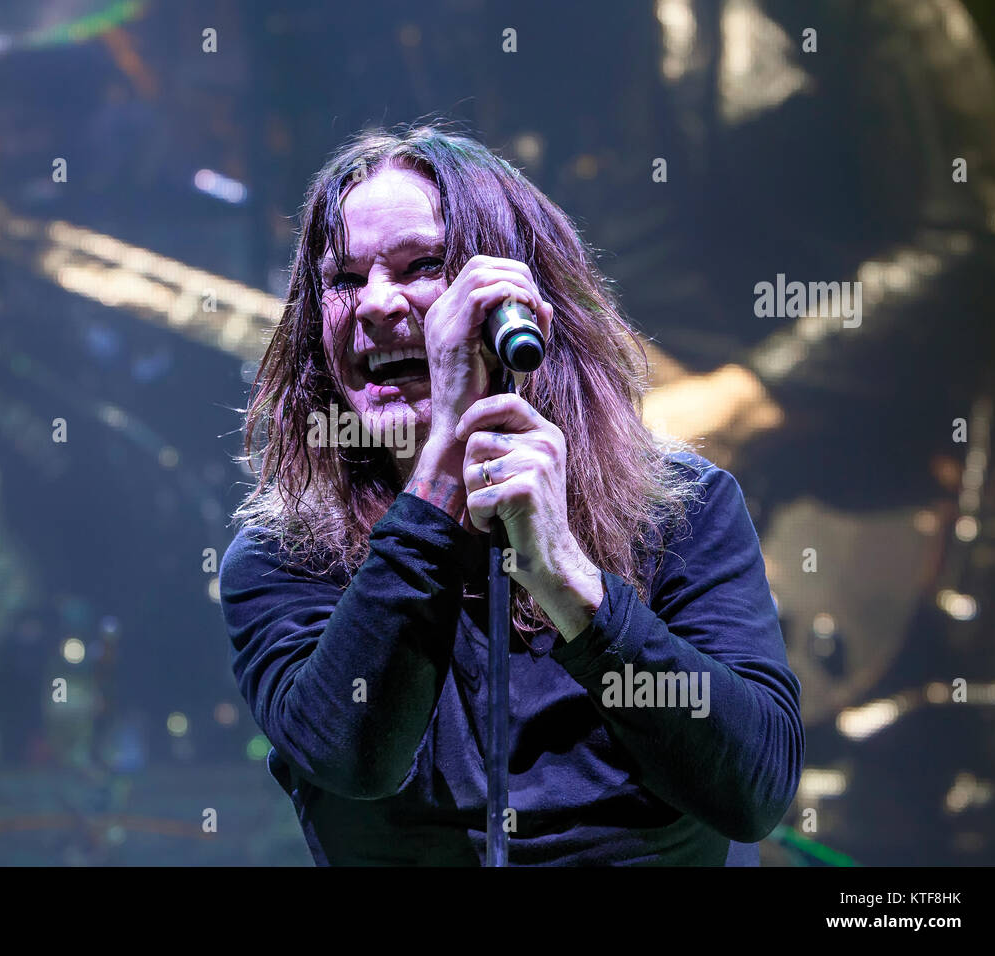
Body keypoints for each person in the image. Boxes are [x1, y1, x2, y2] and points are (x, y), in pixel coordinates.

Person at [220, 124, 804, 865]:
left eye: (422, 265)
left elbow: (752, 791)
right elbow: (353, 758)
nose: (374, 304)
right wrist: (439, 484)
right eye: (343, 280)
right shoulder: (286, 555)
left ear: (520, 304)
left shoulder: (680, 510)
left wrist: (573, 587)